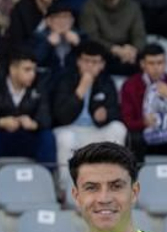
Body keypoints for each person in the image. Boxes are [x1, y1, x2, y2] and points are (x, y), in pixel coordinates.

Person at [50, 40, 128, 189]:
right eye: (86, 61)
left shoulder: (106, 81)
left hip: (94, 130)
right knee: (66, 138)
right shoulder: (65, 79)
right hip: (69, 128)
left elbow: (116, 111)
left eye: (95, 62)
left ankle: (112, 181)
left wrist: (106, 114)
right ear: (79, 61)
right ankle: (66, 188)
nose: (90, 66)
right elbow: (60, 115)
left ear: (102, 65)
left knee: (118, 128)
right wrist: (81, 89)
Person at [0, 50, 55, 177]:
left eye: (34, 70)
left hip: (27, 137)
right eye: (27, 70)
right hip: (0, 137)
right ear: (13, 69)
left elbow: (47, 117)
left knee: (47, 136)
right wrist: (0, 121)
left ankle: (46, 184)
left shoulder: (40, 85)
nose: (32, 74)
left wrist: (33, 124)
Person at [80, 0, 147, 77]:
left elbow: (139, 35)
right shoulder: (90, 5)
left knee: (148, 58)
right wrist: (114, 49)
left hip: (128, 52)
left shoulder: (132, 6)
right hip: (103, 51)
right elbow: (91, 37)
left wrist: (134, 50)